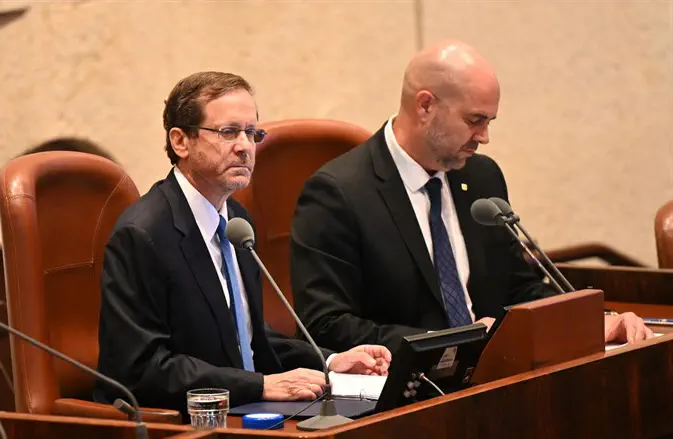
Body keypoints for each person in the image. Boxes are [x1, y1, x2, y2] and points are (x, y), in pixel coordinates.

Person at [290, 40, 654, 353]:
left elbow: (517, 285)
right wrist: (455, 343)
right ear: (425, 106)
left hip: (496, 377)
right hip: (407, 394)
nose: (483, 137)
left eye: (489, 122)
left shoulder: (481, 177)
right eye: (474, 120)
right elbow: (326, 324)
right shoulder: (339, 193)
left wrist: (590, 321)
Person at [94, 71, 391, 413]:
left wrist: (331, 361)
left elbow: (247, 340)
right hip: (182, 420)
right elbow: (142, 368)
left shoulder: (235, 221)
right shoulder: (143, 235)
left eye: (252, 133)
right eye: (228, 132)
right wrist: (261, 385)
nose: (245, 147)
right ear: (180, 142)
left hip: (243, 408)